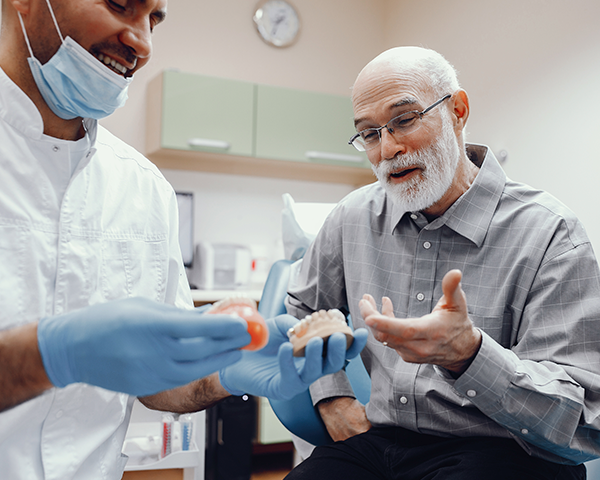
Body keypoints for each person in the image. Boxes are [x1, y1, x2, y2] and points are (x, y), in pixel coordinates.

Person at [0, 0, 368, 478]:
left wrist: (220, 370)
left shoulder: (143, 187)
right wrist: (49, 355)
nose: (142, 42)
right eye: (120, 4)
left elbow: (158, 386)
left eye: (154, 19)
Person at [285, 46, 600, 479]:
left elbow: (585, 423)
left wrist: (469, 355)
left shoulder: (550, 234)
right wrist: (332, 397)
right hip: (382, 443)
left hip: (505, 449)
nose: (388, 149)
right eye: (370, 134)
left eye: (404, 120)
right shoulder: (352, 216)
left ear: (458, 110)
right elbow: (303, 309)